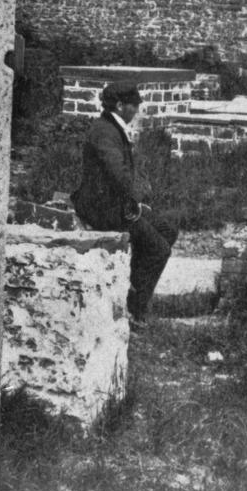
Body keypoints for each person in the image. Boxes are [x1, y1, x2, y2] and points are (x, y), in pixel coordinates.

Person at [73, 81, 176, 324]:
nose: (136, 111)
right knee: (159, 249)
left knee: (167, 231)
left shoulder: (110, 127)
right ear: (120, 105)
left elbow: (122, 174)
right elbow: (117, 172)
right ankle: (135, 311)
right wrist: (136, 199)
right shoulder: (104, 131)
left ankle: (134, 286)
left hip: (114, 204)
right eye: (133, 106)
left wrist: (137, 199)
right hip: (102, 209)